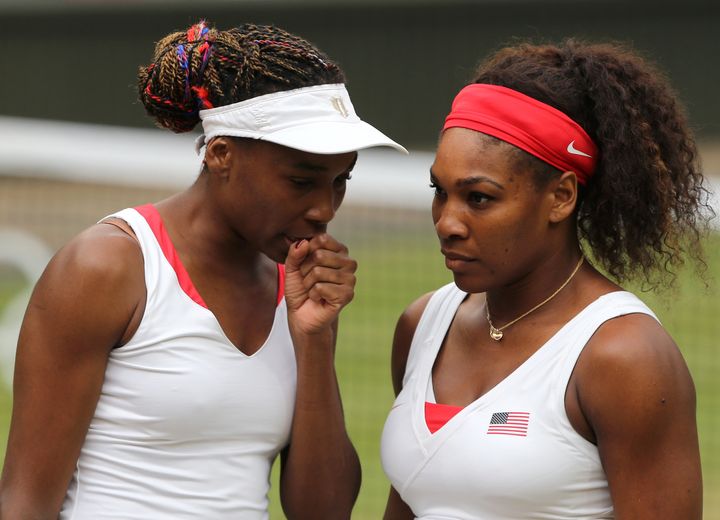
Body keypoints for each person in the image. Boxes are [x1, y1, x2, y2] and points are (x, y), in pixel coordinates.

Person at [0, 20, 406, 519]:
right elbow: (23, 502)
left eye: (340, 181)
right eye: (301, 181)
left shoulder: (301, 288)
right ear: (221, 155)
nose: (324, 208)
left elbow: (322, 512)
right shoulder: (106, 267)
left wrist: (314, 340)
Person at [381, 39, 711, 519]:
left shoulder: (624, 357)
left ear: (560, 197)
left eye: (478, 198)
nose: (447, 221)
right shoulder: (422, 326)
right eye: (440, 191)